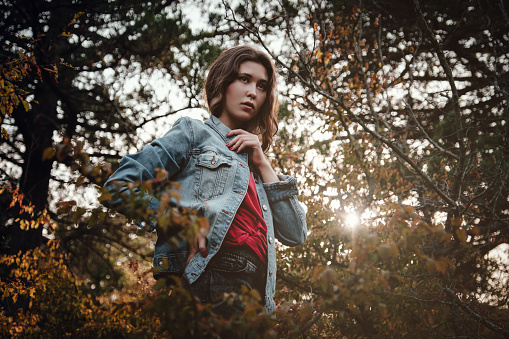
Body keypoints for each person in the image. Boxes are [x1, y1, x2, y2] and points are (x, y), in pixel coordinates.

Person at [103, 46, 307, 317]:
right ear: (223, 82)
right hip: (209, 278)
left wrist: (263, 163)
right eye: (244, 79)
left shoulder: (259, 169)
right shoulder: (193, 133)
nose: (253, 92)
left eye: (262, 86)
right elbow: (118, 185)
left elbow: (295, 233)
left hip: (258, 300)